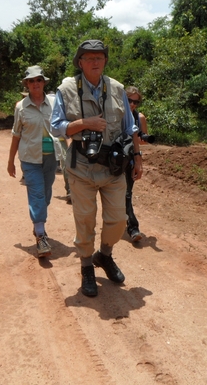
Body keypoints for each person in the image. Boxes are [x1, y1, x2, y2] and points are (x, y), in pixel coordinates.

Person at [51, 40, 143, 297]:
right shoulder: (67, 89)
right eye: (89, 58)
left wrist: (137, 157)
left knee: (118, 220)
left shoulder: (117, 88)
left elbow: (129, 127)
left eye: (99, 58)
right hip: (81, 166)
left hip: (114, 166)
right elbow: (56, 126)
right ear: (80, 62)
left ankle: (104, 255)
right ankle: (86, 267)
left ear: (105, 61)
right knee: (85, 221)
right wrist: (83, 123)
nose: (95, 62)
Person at [8, 65, 61, 258]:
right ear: (27, 84)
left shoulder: (55, 103)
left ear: (43, 82)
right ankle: (41, 236)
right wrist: (10, 161)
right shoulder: (20, 107)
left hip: (50, 157)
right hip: (30, 159)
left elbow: (63, 127)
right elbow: (16, 134)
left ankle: (38, 223)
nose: (35, 83)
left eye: (38, 80)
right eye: (31, 81)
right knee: (38, 195)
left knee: (45, 195)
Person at [125, 86, 150, 242]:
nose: (133, 104)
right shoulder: (115, 114)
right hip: (112, 159)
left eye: (136, 101)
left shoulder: (138, 117)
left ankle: (133, 228)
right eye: (129, 100)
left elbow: (143, 142)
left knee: (127, 194)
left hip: (130, 159)